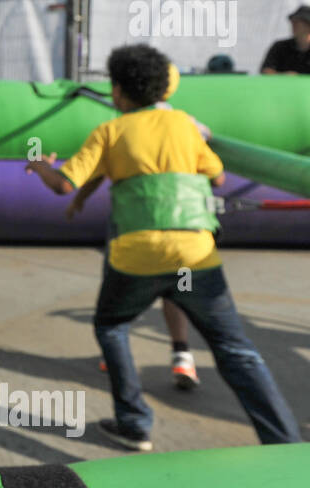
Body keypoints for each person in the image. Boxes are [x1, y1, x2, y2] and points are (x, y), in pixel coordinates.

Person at [26, 44, 302, 452]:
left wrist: (39, 165)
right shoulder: (185, 127)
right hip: (195, 253)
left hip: (137, 257)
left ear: (118, 92)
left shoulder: (110, 131)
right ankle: (285, 443)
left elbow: (64, 184)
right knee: (234, 349)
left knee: (112, 325)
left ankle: (134, 423)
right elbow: (220, 179)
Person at [67, 63, 210, 389]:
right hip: (182, 227)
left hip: (133, 230)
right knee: (178, 292)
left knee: (118, 298)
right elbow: (214, 165)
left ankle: (116, 356)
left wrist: (78, 198)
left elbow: (95, 170)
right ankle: (182, 356)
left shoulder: (120, 128)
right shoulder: (184, 124)